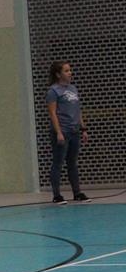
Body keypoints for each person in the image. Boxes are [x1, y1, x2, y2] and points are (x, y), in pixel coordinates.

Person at [46, 61, 90, 205]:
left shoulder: (73, 89)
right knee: (58, 163)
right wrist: (58, 132)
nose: (70, 73)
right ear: (58, 74)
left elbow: (77, 110)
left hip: (74, 131)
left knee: (72, 163)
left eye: (70, 70)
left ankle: (77, 193)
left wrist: (83, 128)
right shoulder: (53, 91)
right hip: (62, 131)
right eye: (66, 71)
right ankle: (57, 195)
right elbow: (52, 113)